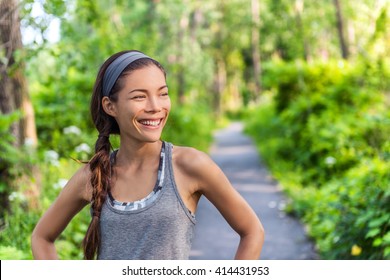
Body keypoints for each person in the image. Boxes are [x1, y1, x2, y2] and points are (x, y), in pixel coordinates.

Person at [31, 50, 264, 260]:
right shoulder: (94, 176)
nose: (155, 106)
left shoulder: (189, 165)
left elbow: (252, 231)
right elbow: (42, 237)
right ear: (110, 106)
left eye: (163, 94)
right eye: (139, 97)